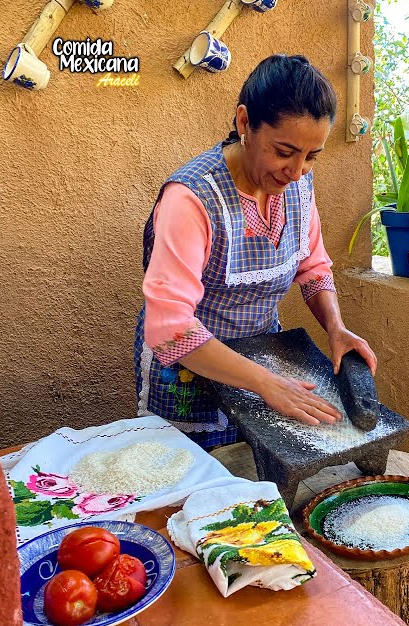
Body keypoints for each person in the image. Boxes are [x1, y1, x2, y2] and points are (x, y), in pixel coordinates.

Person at [134, 54, 377, 449]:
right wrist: (265, 383)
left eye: (311, 156)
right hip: (187, 371)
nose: (296, 171)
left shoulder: (296, 187)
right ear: (245, 122)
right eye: (284, 152)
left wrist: (336, 327)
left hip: (265, 358)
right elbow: (169, 327)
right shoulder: (193, 198)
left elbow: (313, 268)